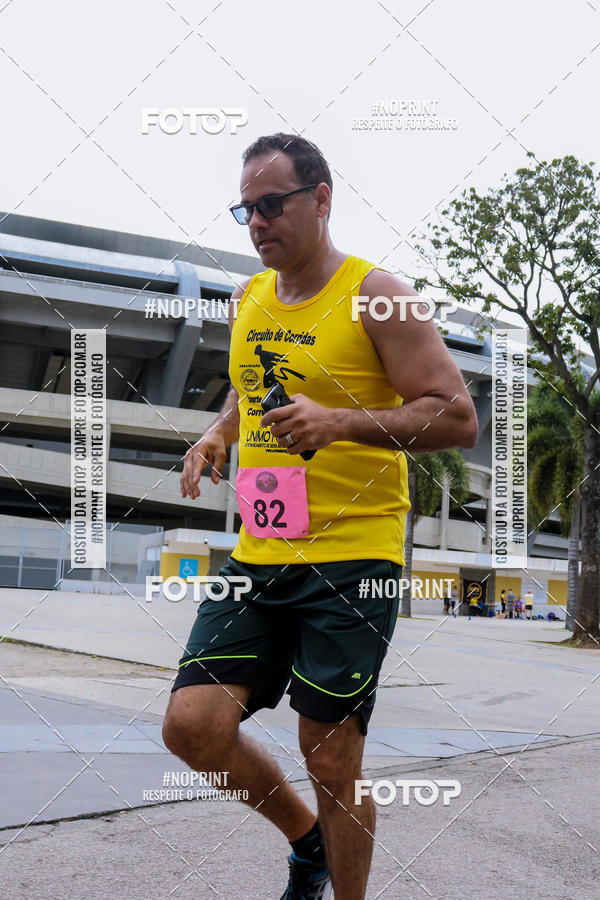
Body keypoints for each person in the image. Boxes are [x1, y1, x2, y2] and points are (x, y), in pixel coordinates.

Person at [162, 133, 478, 900]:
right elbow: (252, 385)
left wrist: (341, 423)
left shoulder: (379, 295)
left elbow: (457, 417)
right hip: (261, 552)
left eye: (272, 204)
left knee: (329, 753)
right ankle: (308, 845)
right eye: (247, 209)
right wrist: (217, 431)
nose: (257, 222)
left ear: (321, 199)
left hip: (353, 558)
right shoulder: (250, 298)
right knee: (192, 726)